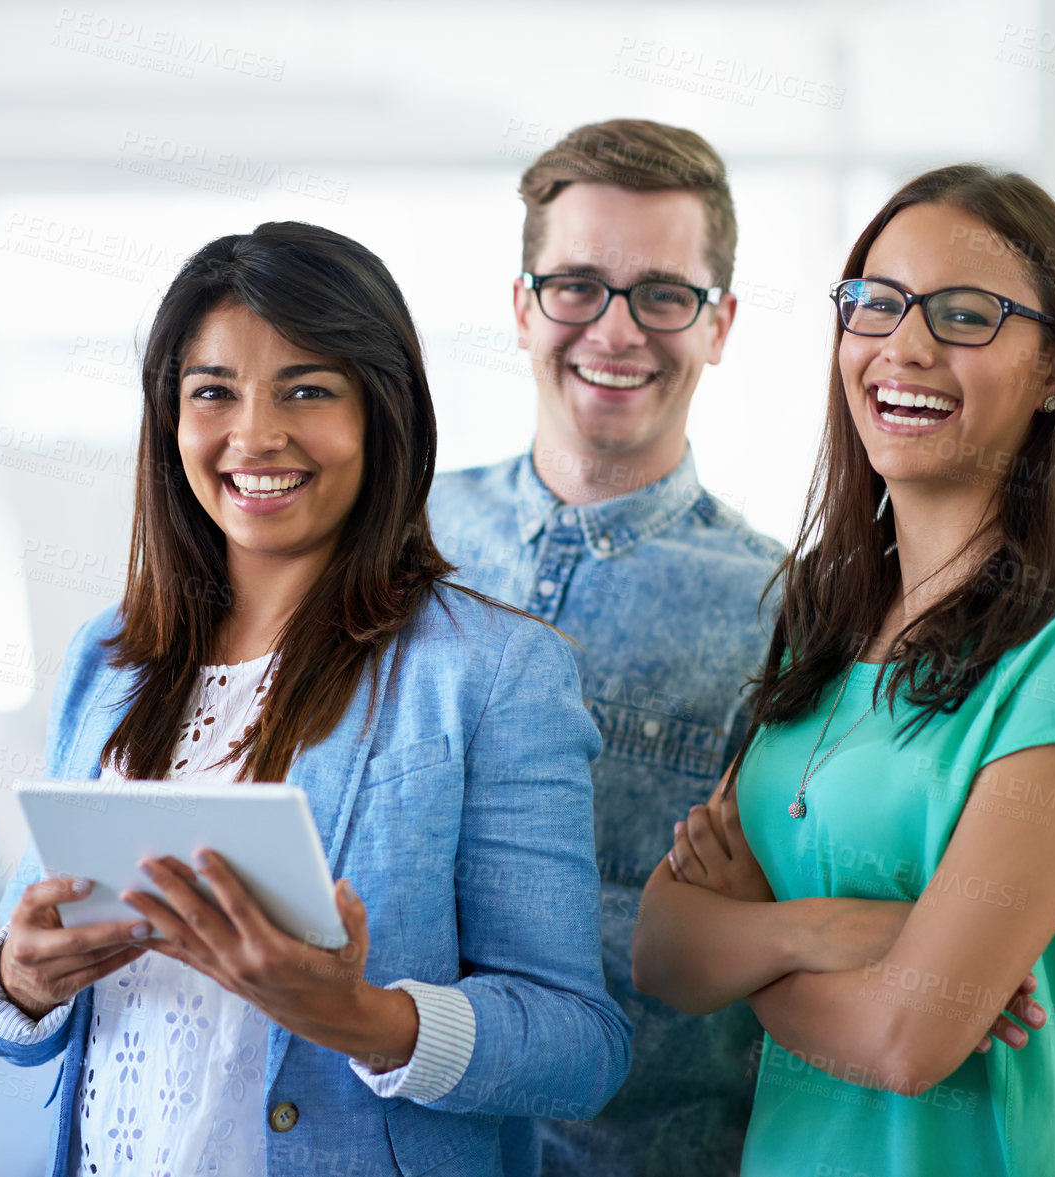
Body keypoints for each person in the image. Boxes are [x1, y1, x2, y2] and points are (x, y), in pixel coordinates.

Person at [0, 221, 631, 1177]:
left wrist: (362, 1019)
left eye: (305, 390)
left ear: (381, 412)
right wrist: (19, 979)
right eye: (213, 393)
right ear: (170, 420)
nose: (254, 435)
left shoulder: (490, 672)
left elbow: (579, 1050)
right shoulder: (107, 660)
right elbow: (12, 988)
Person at [632, 164, 1055, 1175]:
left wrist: (751, 946)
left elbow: (906, 1041)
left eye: (965, 315)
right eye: (874, 304)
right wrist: (840, 929)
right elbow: (663, 952)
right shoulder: (825, 612)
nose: (904, 346)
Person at [428, 118, 784, 1175]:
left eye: (662, 294)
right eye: (575, 283)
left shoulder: (788, 609)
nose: (615, 331)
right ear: (520, 307)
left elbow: (782, 926)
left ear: (718, 324)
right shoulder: (396, 546)